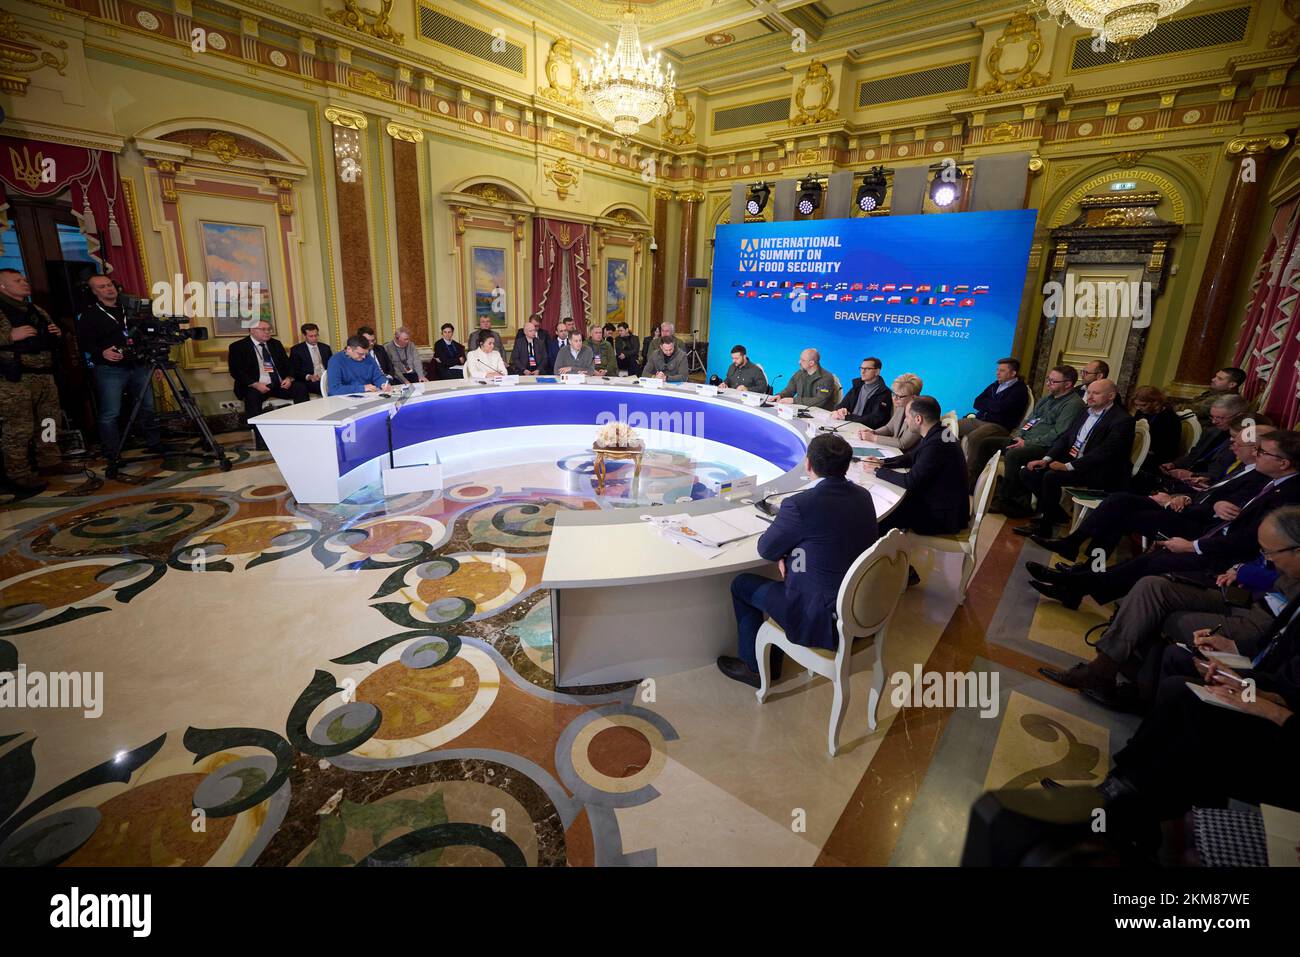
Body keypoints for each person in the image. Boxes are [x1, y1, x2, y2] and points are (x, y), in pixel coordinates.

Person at [1038, 507, 1300, 705]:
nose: (1268, 557)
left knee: (1169, 617)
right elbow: (1258, 563)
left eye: (1269, 552)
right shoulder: (1284, 538)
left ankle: (1143, 691)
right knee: (1152, 587)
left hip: (1267, 621)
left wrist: (1251, 573)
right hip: (1243, 594)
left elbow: (1277, 581)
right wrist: (1245, 569)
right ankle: (1102, 670)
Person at [1027, 430, 1300, 609]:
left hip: (1206, 533)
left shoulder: (1282, 491)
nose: (1238, 447)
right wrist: (1186, 496)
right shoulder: (1268, 480)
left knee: (1137, 536)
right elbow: (1218, 495)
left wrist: (1193, 538)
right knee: (1119, 503)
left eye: (1262, 451)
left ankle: (1077, 581)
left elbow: (1244, 534)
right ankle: (1079, 569)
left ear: (1283, 463)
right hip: (1198, 517)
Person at [717, 433, 879, 688]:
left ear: (808, 464)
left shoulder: (800, 505)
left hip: (821, 617)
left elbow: (766, 549)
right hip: (862, 606)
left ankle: (753, 666)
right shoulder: (863, 496)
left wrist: (788, 554)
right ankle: (772, 654)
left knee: (741, 585)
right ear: (846, 466)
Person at [1028, 416, 1273, 563]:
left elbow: (1222, 511)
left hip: (1193, 522)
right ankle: (1077, 550)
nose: (1231, 446)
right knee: (1119, 500)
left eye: (1237, 443)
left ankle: (1086, 564)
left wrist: (1173, 500)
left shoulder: (1259, 477)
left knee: (1119, 513)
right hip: (1186, 502)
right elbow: (1214, 491)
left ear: (1256, 450)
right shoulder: (1245, 468)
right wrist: (1183, 496)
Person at [1014, 378, 1134, 538]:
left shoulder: (1122, 420)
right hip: (1075, 459)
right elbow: (1065, 438)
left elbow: (1105, 452)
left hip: (1099, 470)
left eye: (1096, 393)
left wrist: (1068, 466)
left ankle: (1045, 528)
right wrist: (1046, 459)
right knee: (1029, 472)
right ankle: (1057, 514)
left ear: (1111, 396)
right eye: (1089, 392)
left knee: (1051, 477)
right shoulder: (1085, 411)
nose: (1090, 396)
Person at [0, 268, 75, 493]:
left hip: (45, 375)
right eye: (17, 280)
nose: (25, 283)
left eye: (24, 279)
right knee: (19, 428)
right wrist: (9, 336)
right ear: (2, 286)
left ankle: (49, 461)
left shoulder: (36, 309)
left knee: (49, 421)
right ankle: (18, 473)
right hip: (14, 379)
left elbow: (54, 336)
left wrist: (56, 333)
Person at [77, 274, 162, 454]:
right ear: (93, 292)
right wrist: (101, 352)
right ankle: (112, 451)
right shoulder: (89, 315)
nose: (108, 289)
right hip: (110, 369)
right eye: (101, 287)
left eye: (109, 285)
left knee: (147, 407)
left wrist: (155, 362)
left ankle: (154, 443)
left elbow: (149, 337)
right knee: (111, 412)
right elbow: (84, 343)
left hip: (139, 365)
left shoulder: (132, 310)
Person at [979, 365, 1084, 510]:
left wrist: (1026, 442)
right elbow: (1030, 420)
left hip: (1045, 447)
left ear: (1068, 384)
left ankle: (1007, 499)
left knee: (1014, 455)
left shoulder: (1073, 404)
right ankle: (977, 488)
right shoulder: (1047, 398)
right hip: (1024, 440)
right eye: (1048, 379)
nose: (1048, 384)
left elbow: (1059, 433)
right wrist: (1020, 436)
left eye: (1053, 381)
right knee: (986, 444)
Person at [862, 395, 969, 536]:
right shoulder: (940, 432)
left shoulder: (937, 445)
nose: (905, 421)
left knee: (879, 515)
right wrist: (883, 462)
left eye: (907, 417)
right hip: (945, 503)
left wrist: (877, 470)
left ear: (918, 419)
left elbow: (910, 481)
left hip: (942, 517)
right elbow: (912, 457)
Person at [228, 319, 308, 449]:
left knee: (300, 388)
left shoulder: (275, 344)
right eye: (263, 329)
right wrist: (255, 384)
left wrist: (289, 378)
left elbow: (288, 365)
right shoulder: (238, 347)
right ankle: (261, 439)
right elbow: (236, 371)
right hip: (255, 385)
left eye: (269, 329)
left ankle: (304, 429)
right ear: (252, 330)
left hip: (278, 383)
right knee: (252, 397)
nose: (267, 332)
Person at [1151, 394, 1249, 494]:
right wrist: (1174, 464)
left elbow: (1224, 473)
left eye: (1219, 418)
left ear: (1239, 416)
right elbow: (1193, 455)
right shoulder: (1211, 431)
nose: (1214, 422)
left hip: (1205, 487)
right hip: (1185, 478)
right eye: (1212, 417)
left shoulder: (1244, 442)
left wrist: (1192, 475)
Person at [958, 357, 1031, 442]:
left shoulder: (1019, 390)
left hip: (999, 426)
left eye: (1002, 371)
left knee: (974, 437)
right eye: (997, 370)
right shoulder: (995, 385)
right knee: (949, 428)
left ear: (1013, 373)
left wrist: (988, 403)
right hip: (979, 420)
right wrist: (994, 404)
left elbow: (1000, 408)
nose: (997, 373)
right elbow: (977, 402)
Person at [858, 373, 923, 451]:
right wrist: (873, 432)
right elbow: (889, 428)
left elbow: (903, 443)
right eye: (894, 394)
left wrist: (873, 438)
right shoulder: (901, 406)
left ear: (913, 397)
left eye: (899, 396)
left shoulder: (919, 415)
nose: (894, 399)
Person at [1130, 385, 1181, 474]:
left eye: (1143, 405)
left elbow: (1169, 446)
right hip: (1140, 450)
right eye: (1136, 405)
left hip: (1159, 457)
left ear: (1155, 402)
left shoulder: (1170, 418)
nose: (1138, 408)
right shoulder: (1140, 413)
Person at [831, 356, 892, 428]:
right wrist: (840, 411)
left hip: (865, 429)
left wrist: (848, 417)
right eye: (861, 368)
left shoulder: (884, 393)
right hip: (847, 424)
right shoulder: (857, 386)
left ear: (877, 372)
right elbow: (842, 404)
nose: (862, 372)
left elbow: (875, 419)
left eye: (867, 369)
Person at [1177, 366, 1247, 426]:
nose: (1213, 379)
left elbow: (1190, 410)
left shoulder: (1223, 400)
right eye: (1215, 376)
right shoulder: (1215, 392)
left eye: (1220, 379)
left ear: (1232, 384)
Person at [326, 336, 392, 395]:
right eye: (360, 354)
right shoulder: (336, 360)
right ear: (349, 349)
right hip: (343, 399)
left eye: (366, 353)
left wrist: (383, 383)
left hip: (366, 396)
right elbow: (334, 389)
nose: (364, 357)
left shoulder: (368, 357)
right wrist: (362, 388)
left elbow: (378, 376)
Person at [289, 322, 333, 396]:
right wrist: (309, 376)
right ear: (304, 336)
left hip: (327, 377)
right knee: (325, 388)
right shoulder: (296, 350)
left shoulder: (325, 348)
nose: (314, 338)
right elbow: (294, 371)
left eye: (316, 335)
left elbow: (332, 365)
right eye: (311, 336)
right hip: (311, 380)